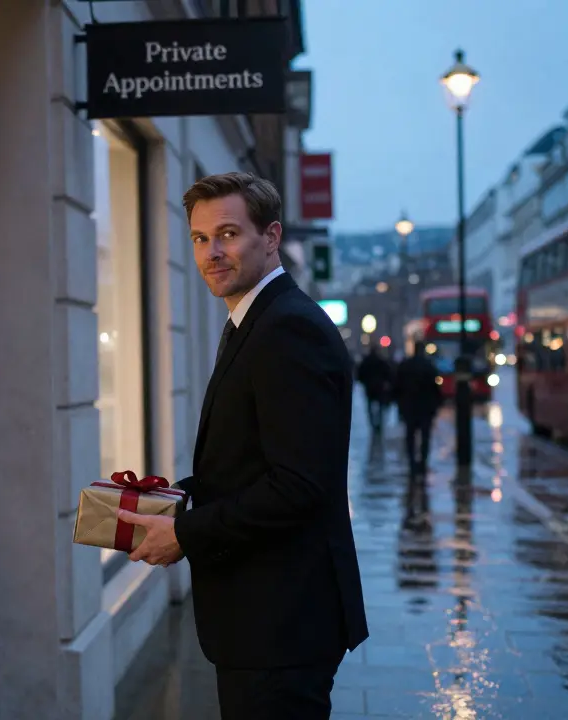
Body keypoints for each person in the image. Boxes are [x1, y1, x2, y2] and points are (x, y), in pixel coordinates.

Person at [116, 172, 368, 719]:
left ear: (272, 236)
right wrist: (169, 500)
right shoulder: (254, 318)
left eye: (228, 234)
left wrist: (184, 533)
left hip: (282, 623)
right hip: (266, 619)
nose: (212, 252)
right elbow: (251, 464)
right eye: (201, 238)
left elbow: (298, 485)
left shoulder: (285, 329)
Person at [394, 345, 443, 477]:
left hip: (409, 406)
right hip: (425, 407)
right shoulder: (429, 366)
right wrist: (437, 403)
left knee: (410, 436)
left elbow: (398, 386)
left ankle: (412, 463)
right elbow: (435, 387)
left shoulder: (406, 365)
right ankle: (423, 462)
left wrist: (398, 404)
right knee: (425, 436)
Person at [356, 346, 392, 431]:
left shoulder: (366, 361)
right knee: (380, 406)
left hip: (369, 386)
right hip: (379, 387)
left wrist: (363, 381)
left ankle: (372, 422)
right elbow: (387, 372)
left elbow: (360, 373)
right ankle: (379, 422)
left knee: (369, 405)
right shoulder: (381, 361)